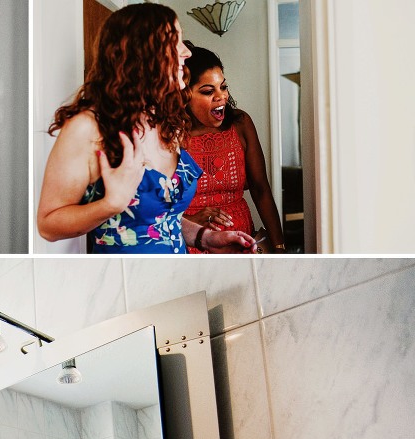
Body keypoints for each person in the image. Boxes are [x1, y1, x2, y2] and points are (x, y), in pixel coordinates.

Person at [36, 4, 256, 254]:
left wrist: (205, 237)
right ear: (140, 55)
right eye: (175, 41)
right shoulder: (88, 129)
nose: (185, 52)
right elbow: (48, 225)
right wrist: (110, 204)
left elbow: (160, 218)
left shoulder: (168, 121)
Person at [182, 44, 286, 253]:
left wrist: (279, 247)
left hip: (242, 242)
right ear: (184, 95)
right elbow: (155, 210)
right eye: (208, 91)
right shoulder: (168, 135)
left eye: (223, 86)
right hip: (191, 247)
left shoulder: (240, 123)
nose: (221, 96)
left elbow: (260, 188)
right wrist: (190, 222)